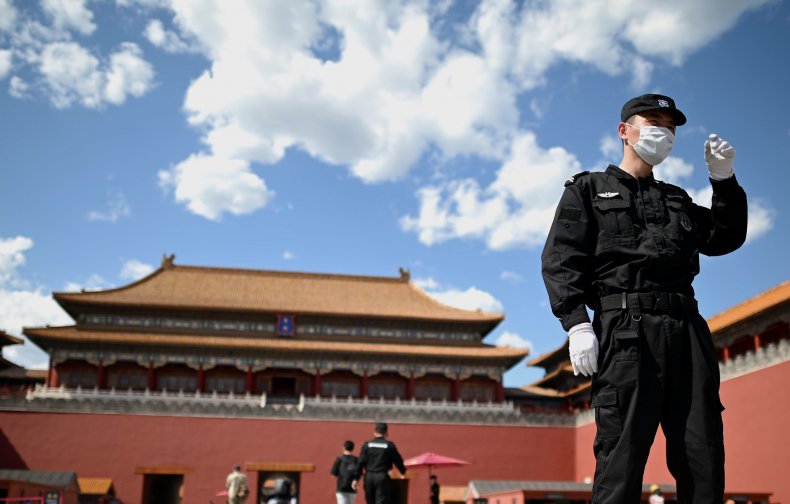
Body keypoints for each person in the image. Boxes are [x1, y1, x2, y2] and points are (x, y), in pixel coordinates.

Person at [541, 94, 747, 503]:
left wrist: (724, 181)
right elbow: (560, 258)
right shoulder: (587, 190)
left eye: (669, 127)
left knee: (702, 452)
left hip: (686, 332)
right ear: (625, 131)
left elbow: (725, 238)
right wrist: (577, 323)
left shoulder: (677, 199)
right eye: (652, 121)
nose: (663, 132)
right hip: (627, 334)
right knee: (621, 456)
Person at [358, 422, 407, 504]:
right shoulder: (389, 446)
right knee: (382, 500)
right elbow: (398, 460)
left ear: (374, 432)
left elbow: (360, 462)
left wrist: (356, 478)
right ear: (386, 433)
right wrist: (403, 471)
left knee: (370, 501)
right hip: (382, 477)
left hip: (369, 476)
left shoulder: (367, 445)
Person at [331, 440, 360, 504]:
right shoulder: (356, 460)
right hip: (352, 488)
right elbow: (359, 473)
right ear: (353, 448)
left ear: (344, 447)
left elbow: (333, 474)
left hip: (341, 488)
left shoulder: (340, 459)